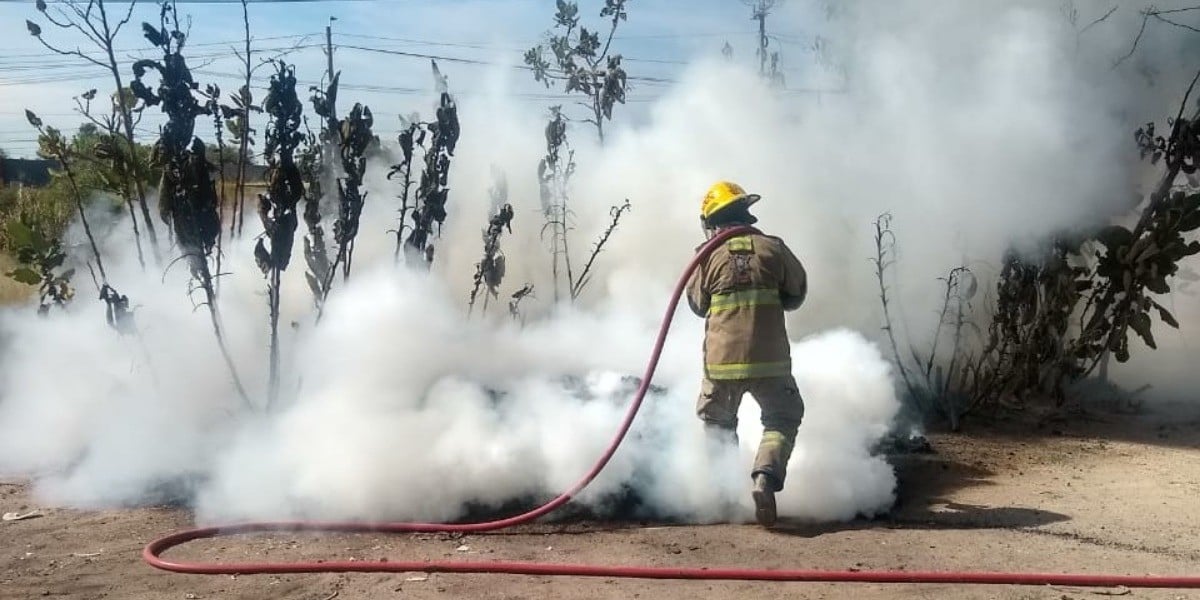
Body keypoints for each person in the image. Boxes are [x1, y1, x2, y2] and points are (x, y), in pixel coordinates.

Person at [685, 180, 808, 528]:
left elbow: (697, 305)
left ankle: (725, 501)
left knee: (718, 424)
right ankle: (765, 478)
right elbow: (797, 294)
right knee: (782, 417)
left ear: (710, 221)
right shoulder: (773, 248)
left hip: (721, 365)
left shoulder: (706, 255)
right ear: (746, 212)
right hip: (771, 362)